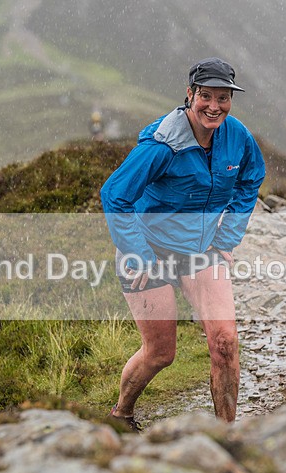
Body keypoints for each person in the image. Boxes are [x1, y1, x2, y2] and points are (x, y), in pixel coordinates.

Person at [100, 58, 265, 429]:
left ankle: (227, 435)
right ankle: (121, 415)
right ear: (190, 95)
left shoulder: (237, 136)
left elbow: (252, 178)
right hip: (150, 252)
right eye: (205, 96)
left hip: (201, 252)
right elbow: (114, 195)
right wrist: (139, 256)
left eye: (223, 98)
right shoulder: (162, 145)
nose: (214, 106)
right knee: (160, 353)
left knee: (225, 342)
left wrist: (226, 239)